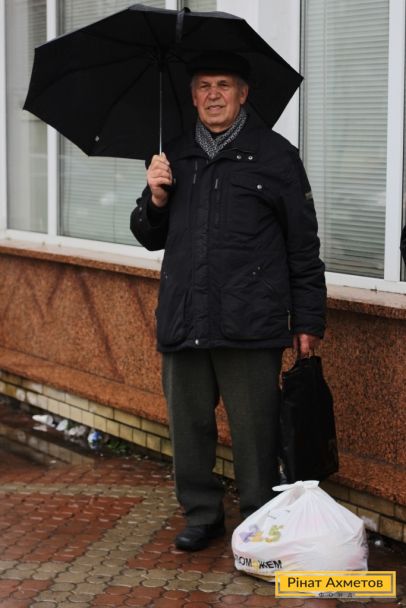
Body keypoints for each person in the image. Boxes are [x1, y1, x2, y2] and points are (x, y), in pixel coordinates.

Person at [130, 51, 326, 552]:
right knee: (189, 426)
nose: (213, 95)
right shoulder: (172, 156)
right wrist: (155, 199)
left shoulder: (276, 156)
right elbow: (148, 236)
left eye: (223, 85)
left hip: (251, 319)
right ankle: (202, 515)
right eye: (203, 85)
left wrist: (308, 320)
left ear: (243, 94)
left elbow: (303, 246)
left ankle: (260, 520)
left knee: (255, 430)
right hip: (184, 316)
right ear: (192, 95)